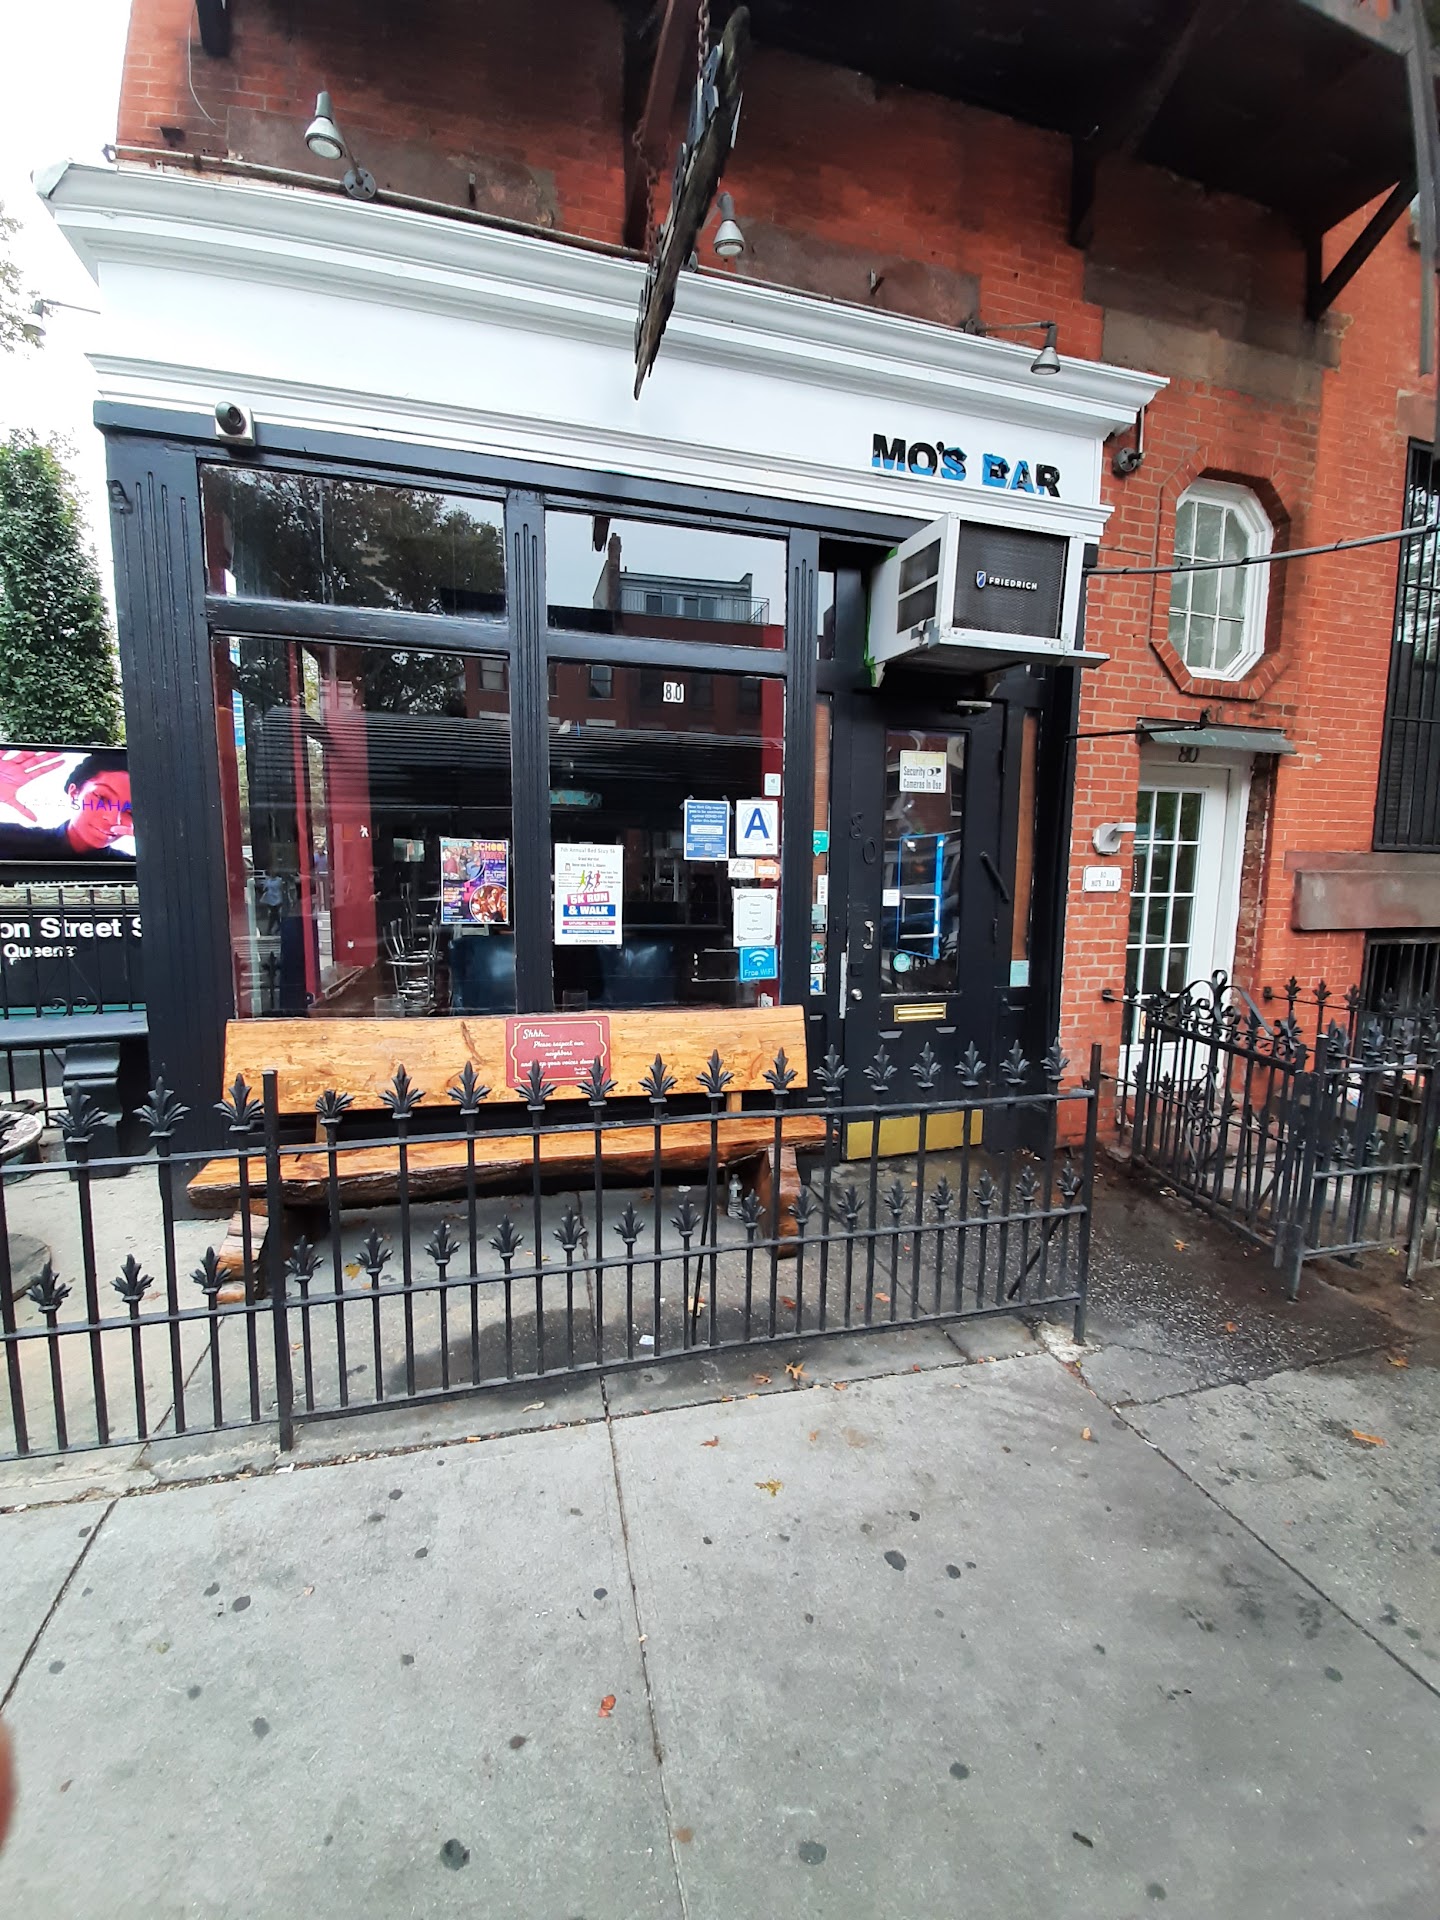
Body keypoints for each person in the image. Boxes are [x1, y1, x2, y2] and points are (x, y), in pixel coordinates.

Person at [0, 748, 134, 860]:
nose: (114, 820)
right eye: (102, 798)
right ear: (74, 793)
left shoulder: (134, 869)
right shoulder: (10, 840)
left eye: (131, 811)